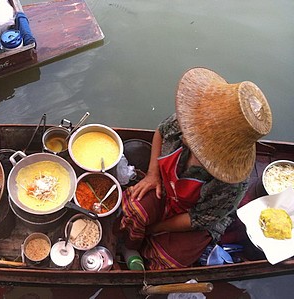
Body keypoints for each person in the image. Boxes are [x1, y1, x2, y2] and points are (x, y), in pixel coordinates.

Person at [116, 67, 273, 270]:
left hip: (193, 218)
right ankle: (129, 247)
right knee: (133, 211)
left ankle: (143, 254)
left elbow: (197, 219)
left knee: (168, 260)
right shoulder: (190, 118)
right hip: (165, 188)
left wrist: (156, 228)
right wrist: (153, 175)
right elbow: (161, 131)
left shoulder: (232, 184)